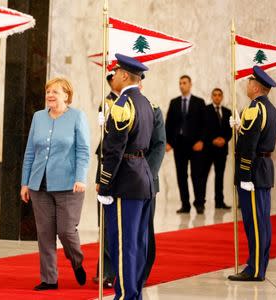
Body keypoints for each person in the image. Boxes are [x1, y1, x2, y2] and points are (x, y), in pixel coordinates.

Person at [20, 77, 90, 291]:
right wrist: (25, 183)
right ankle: (49, 279)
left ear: (66, 96)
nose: (50, 95)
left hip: (70, 185)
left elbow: (83, 151)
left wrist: (81, 177)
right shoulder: (38, 117)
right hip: (39, 185)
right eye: (48, 91)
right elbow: (30, 152)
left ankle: (77, 261)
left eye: (55, 92)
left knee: (66, 231)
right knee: (45, 233)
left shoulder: (77, 116)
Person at [97, 53, 154, 300]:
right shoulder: (146, 103)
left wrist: (105, 183)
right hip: (142, 177)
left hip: (125, 181)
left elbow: (113, 150)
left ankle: (125, 296)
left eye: (115, 72)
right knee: (137, 242)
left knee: (123, 244)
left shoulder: (122, 105)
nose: (113, 76)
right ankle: (135, 293)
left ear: (122, 75)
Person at [228, 66, 276, 281]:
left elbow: (249, 146)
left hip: (254, 171)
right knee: (263, 221)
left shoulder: (254, 109)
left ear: (256, 87)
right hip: (264, 169)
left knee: (255, 223)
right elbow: (259, 137)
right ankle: (260, 265)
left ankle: (255, 269)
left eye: (249, 82)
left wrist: (245, 176)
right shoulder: (271, 109)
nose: (247, 85)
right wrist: (242, 128)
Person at [165, 75, 207, 214]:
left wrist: (201, 140)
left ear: (190, 84)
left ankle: (199, 203)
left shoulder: (199, 102)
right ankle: (185, 204)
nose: (181, 85)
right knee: (181, 175)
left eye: (184, 83)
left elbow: (204, 124)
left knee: (197, 175)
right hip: (179, 144)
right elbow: (168, 124)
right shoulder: (174, 102)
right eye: (180, 83)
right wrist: (169, 142)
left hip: (195, 144)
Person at [93, 71, 118, 289]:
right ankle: (104, 269)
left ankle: (110, 270)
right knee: (105, 224)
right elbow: (104, 145)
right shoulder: (107, 101)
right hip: (107, 165)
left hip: (124, 168)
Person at [143, 90, 166, 283]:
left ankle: (143, 271)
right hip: (120, 181)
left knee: (144, 228)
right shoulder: (115, 108)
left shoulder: (153, 109)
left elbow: (159, 145)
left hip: (145, 180)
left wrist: (147, 176)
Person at [201, 88, 232, 209]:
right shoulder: (205, 110)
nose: (217, 97)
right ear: (212, 96)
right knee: (203, 176)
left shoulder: (227, 111)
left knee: (220, 177)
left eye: (219, 95)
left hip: (222, 150)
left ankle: (219, 202)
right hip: (208, 149)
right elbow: (202, 128)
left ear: (222, 96)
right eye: (215, 95)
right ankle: (201, 202)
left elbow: (230, 130)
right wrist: (212, 140)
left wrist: (224, 139)